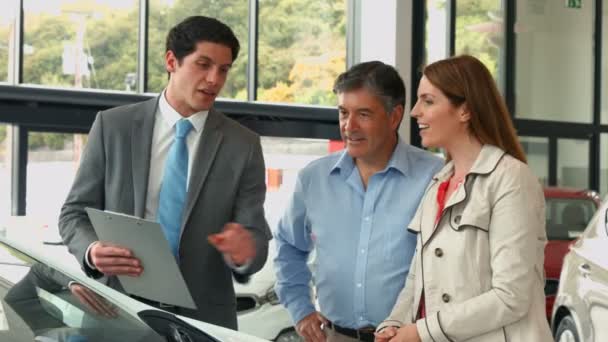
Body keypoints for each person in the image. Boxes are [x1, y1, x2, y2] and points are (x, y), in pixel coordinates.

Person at [59, 15, 270, 329]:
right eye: (203, 64)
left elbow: (255, 237)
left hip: (205, 320)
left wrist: (246, 251)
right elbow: (73, 214)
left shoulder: (244, 145)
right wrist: (92, 250)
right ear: (172, 60)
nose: (215, 79)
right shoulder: (113, 126)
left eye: (223, 69)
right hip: (117, 310)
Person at [374, 55, 552, 342]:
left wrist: (421, 331)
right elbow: (415, 279)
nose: (415, 111)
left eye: (428, 101)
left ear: (465, 110)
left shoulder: (512, 179)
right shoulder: (437, 185)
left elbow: (511, 296)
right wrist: (393, 324)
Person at [274, 61, 443, 342]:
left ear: (394, 116)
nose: (349, 127)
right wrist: (301, 308)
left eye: (363, 114)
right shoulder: (314, 178)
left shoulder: (433, 177)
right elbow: (288, 245)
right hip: (335, 336)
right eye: (343, 113)